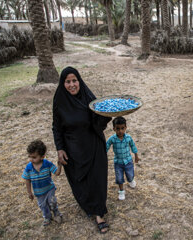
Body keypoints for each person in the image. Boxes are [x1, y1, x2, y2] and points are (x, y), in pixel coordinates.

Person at [52, 66, 112, 234]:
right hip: (73, 149)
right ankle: (88, 205)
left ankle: (99, 213)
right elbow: (57, 128)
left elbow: (98, 122)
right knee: (81, 181)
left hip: (94, 145)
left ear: (80, 81)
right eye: (68, 81)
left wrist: (106, 116)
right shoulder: (59, 101)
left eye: (75, 80)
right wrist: (60, 148)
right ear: (63, 83)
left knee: (98, 179)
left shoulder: (88, 97)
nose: (72, 85)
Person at [22, 140, 63, 226]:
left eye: (34, 157)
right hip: (39, 192)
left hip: (49, 189)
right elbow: (27, 180)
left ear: (42, 156)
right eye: (30, 157)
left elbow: (57, 173)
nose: (31, 160)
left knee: (52, 202)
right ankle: (47, 217)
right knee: (43, 206)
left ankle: (56, 214)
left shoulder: (47, 164)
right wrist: (29, 192)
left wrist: (59, 165)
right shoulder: (29, 167)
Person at [106, 116, 140, 200]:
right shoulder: (112, 139)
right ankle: (121, 191)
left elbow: (133, 146)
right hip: (118, 163)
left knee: (130, 174)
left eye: (122, 128)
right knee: (119, 178)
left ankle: (131, 180)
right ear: (114, 128)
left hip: (128, 161)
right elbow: (106, 147)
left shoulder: (128, 138)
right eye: (118, 128)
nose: (120, 131)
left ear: (125, 128)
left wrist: (136, 156)